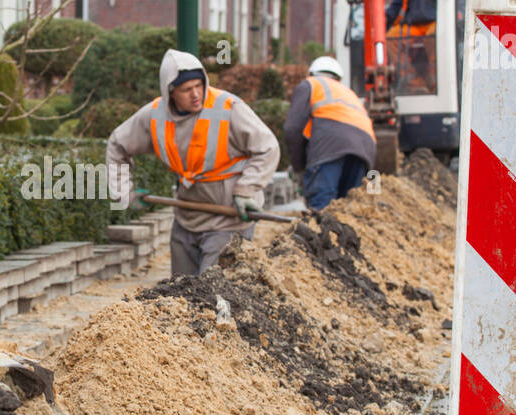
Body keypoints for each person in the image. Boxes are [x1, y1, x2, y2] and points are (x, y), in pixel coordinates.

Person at [107, 49, 280, 276]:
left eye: (199, 85)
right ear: (170, 92)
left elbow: (267, 147)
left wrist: (247, 190)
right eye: (187, 89)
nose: (196, 94)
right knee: (182, 294)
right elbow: (117, 145)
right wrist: (124, 193)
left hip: (228, 220)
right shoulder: (155, 115)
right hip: (187, 218)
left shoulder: (228, 108)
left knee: (215, 294)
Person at [283, 56, 377, 212]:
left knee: (322, 207)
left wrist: (298, 166)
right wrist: (372, 181)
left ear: (312, 73)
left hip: (330, 145)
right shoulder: (349, 93)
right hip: (365, 151)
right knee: (347, 209)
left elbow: (292, 128)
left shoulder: (310, 84)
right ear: (338, 77)